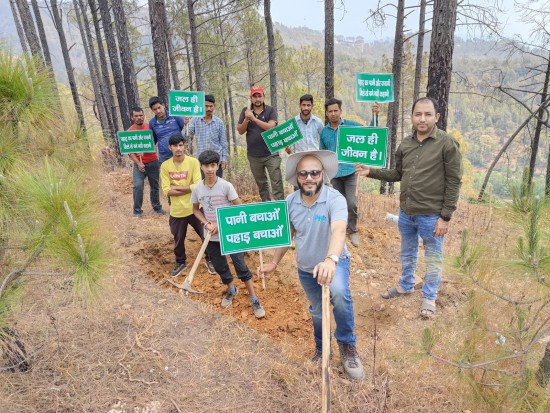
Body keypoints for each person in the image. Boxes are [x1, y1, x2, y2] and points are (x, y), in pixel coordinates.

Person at [258, 150, 365, 381]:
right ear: (297, 177)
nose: (309, 178)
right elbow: (287, 235)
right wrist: (274, 263)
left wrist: (330, 260)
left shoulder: (335, 199)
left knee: (339, 295)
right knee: (317, 310)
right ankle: (322, 348)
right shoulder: (289, 202)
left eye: (314, 172)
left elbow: (338, 230)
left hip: (334, 262)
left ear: (323, 174)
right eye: (303, 173)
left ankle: (348, 347)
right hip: (306, 269)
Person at [355, 97, 463, 319]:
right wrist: (371, 171)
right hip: (406, 213)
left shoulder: (447, 144)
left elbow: (454, 181)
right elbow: (397, 174)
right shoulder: (405, 144)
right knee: (408, 251)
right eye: (418, 114)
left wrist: (445, 217)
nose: (422, 119)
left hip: (432, 216)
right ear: (412, 117)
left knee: (433, 256)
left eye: (427, 114)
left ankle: (429, 297)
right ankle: (406, 285)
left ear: (437, 117)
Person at [191, 150, 266, 319]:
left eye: (213, 165)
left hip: (231, 233)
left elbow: (239, 208)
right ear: (201, 167)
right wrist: (206, 223)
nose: (210, 169)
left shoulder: (226, 186)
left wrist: (220, 223)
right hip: (211, 235)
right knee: (219, 266)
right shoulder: (198, 189)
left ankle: (254, 297)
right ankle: (231, 289)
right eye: (206, 166)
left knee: (240, 265)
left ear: (217, 166)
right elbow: (195, 210)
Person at [160, 134, 216, 277]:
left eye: (180, 145)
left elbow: (198, 186)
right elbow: (166, 190)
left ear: (185, 146)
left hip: (196, 208)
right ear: (170, 148)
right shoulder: (165, 166)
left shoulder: (193, 162)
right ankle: (180, 262)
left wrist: (177, 188)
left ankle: (210, 260)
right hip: (177, 211)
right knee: (178, 239)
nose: (178, 149)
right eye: (175, 146)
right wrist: (188, 187)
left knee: (206, 235)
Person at [319, 98, 365, 247]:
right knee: (338, 203)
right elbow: (322, 153)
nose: (333, 114)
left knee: (351, 203)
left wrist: (374, 115)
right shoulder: (324, 132)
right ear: (326, 113)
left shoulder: (350, 126)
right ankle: (339, 230)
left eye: (335, 111)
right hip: (334, 174)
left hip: (350, 171)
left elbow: (370, 134)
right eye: (330, 111)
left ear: (340, 111)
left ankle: (352, 230)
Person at [237, 85, 283, 202]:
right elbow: (240, 131)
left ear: (264, 97)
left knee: (276, 182)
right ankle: (267, 207)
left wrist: (254, 119)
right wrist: (247, 119)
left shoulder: (270, 110)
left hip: (271, 153)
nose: (257, 99)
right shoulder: (245, 111)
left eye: (259, 96)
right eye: (255, 96)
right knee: (262, 184)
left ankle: (280, 208)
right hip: (254, 156)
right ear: (251, 98)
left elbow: (271, 127)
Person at [127, 106, 166, 218]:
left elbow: (157, 139)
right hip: (139, 164)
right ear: (132, 117)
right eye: (136, 116)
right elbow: (129, 151)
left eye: (141, 115)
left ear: (143, 116)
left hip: (153, 161)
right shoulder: (130, 132)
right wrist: (138, 164)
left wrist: (155, 146)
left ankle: (157, 208)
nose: (139, 118)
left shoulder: (150, 128)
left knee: (155, 185)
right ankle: (137, 211)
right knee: (138, 186)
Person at [186, 95, 229, 178]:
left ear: (214, 106)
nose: (208, 109)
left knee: (217, 186)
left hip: (216, 161)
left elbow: (223, 142)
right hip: (202, 161)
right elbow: (187, 137)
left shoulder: (219, 122)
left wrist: (224, 158)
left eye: (210, 106)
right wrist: (186, 125)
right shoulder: (195, 120)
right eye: (206, 106)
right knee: (203, 186)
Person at [149, 96, 185, 163]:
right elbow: (153, 140)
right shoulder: (152, 123)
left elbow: (185, 131)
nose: (158, 111)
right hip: (164, 157)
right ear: (152, 110)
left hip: (179, 153)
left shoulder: (175, 116)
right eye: (155, 109)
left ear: (163, 105)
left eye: (159, 107)